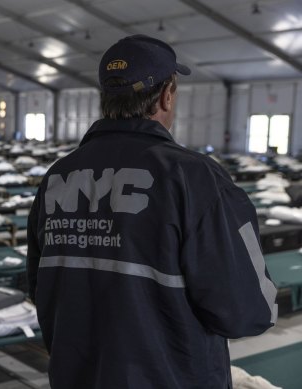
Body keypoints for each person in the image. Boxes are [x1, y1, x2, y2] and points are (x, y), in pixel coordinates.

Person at [26, 34, 277, 389]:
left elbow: (40, 287)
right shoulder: (194, 178)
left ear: (106, 98)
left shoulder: (58, 176)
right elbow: (247, 313)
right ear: (166, 95)